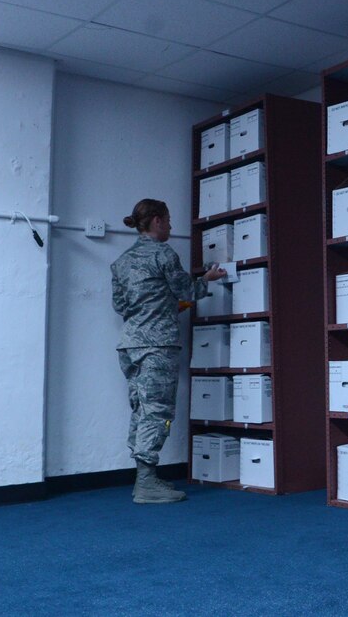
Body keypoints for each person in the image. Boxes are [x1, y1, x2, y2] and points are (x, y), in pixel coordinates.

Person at [111, 199, 225, 505]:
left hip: (130, 345)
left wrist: (160, 306)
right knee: (158, 411)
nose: (172, 227)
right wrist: (207, 280)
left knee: (142, 409)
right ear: (157, 221)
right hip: (157, 345)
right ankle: (147, 482)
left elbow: (121, 306)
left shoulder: (121, 261)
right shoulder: (163, 253)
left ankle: (143, 476)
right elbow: (186, 290)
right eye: (169, 221)